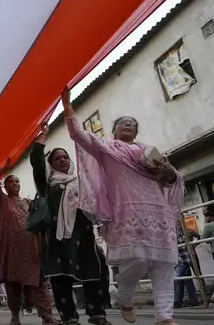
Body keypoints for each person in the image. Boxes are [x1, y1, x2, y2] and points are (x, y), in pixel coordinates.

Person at [62, 88, 184, 325]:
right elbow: (77, 133)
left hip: (158, 211)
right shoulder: (106, 149)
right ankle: (125, 297)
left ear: (136, 131)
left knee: (164, 263)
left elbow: (173, 181)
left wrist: (169, 172)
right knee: (138, 260)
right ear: (114, 130)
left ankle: (165, 317)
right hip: (127, 212)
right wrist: (67, 104)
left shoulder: (151, 153)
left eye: (131, 123)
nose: (127, 125)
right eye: (122, 123)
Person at [31, 123, 108, 325]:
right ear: (51, 164)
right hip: (58, 238)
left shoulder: (80, 180)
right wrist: (43, 136)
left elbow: (97, 200)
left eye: (65, 157)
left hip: (83, 235)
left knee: (93, 270)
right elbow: (36, 161)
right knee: (61, 277)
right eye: (57, 158)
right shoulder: (47, 184)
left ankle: (97, 314)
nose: (62, 160)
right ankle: (69, 317)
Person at [0, 166, 60, 325]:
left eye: (17, 181)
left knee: (39, 284)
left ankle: (47, 317)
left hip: (31, 249)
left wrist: (42, 247)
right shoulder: (3, 201)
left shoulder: (29, 202)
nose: (14, 184)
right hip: (12, 251)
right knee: (13, 285)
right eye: (10, 182)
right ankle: (15, 316)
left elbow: (40, 223)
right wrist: (4, 168)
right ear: (5, 187)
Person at [174, 225, 199, 308]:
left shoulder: (174, 232)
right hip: (183, 259)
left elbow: (178, 245)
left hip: (181, 259)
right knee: (187, 280)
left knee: (177, 280)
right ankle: (193, 300)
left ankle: (177, 301)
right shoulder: (178, 231)